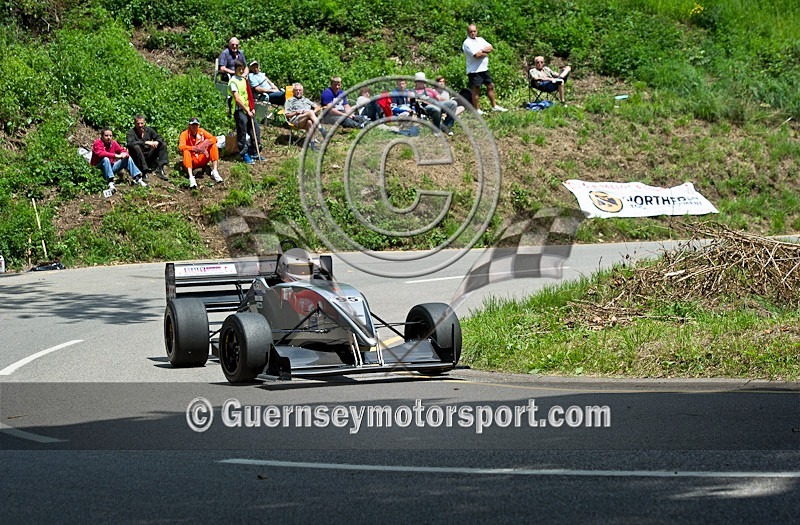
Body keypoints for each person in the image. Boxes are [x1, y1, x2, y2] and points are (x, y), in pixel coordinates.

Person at [462, 24, 507, 114]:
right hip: (474, 70)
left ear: (477, 31)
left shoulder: (480, 40)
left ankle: (494, 106)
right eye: (471, 31)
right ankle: (477, 109)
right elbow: (477, 55)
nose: (473, 33)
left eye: (474, 31)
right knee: (476, 89)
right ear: (468, 32)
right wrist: (485, 52)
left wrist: (481, 51)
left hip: (484, 69)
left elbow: (490, 47)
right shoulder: (467, 43)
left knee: (490, 86)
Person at [228, 60, 262, 164]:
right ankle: (244, 154)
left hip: (248, 110)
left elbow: (249, 95)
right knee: (242, 132)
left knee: (255, 130)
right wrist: (247, 110)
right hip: (239, 111)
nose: (242, 71)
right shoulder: (233, 81)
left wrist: (252, 108)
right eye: (239, 69)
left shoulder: (244, 80)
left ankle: (255, 152)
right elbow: (237, 99)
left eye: (243, 69)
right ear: (235, 69)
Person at [178, 117, 223, 189]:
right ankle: (191, 177)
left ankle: (215, 171)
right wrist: (194, 148)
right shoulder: (184, 134)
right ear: (189, 125)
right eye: (193, 125)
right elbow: (181, 147)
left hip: (203, 157)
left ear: (198, 125)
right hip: (193, 160)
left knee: (213, 145)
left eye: (196, 125)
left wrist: (205, 144)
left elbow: (214, 138)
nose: (194, 127)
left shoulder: (201, 131)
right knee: (186, 152)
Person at [126, 115, 169, 181]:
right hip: (138, 157)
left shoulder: (149, 130)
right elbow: (130, 143)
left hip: (149, 155)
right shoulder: (131, 132)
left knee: (163, 144)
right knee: (136, 147)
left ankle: (160, 168)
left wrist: (157, 142)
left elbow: (159, 137)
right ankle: (144, 171)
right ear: (135, 123)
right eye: (138, 124)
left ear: (144, 123)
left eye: (142, 123)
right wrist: (145, 142)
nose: (140, 125)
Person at [284, 83, 326, 150]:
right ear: (293, 92)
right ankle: (322, 130)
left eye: (300, 90)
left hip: (307, 118)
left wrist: (312, 112)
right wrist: (295, 112)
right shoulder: (290, 100)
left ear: (302, 91)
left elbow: (318, 107)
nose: (298, 92)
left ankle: (312, 145)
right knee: (310, 113)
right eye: (296, 90)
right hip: (296, 119)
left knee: (309, 122)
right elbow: (287, 115)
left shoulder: (306, 100)